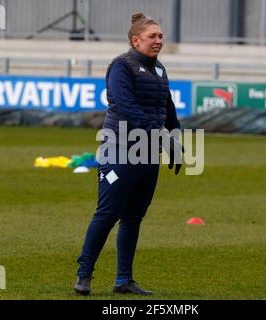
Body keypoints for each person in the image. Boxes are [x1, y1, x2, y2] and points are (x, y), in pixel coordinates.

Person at [74, 12, 183, 296]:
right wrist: (161, 135)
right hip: (118, 150)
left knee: (133, 218)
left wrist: (176, 141)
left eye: (160, 36)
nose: (159, 40)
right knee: (107, 213)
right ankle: (84, 274)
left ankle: (124, 280)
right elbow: (127, 107)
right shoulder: (121, 66)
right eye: (153, 36)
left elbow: (167, 109)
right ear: (136, 40)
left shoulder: (160, 70)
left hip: (147, 154)